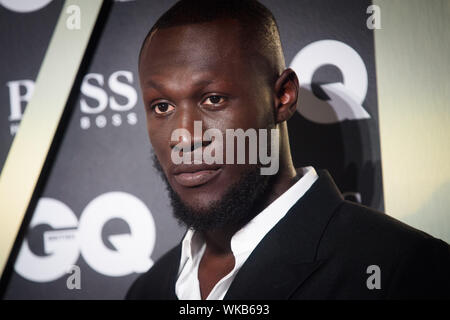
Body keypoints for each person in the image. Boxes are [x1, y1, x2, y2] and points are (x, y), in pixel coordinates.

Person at [126, 0, 450, 300]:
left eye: (213, 99)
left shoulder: (404, 267)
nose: (183, 138)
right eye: (162, 106)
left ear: (283, 96)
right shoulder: (146, 290)